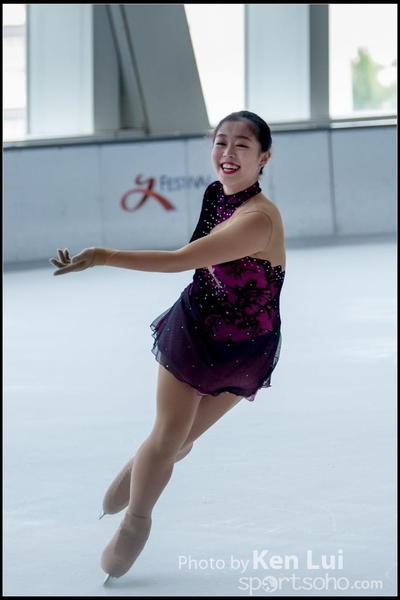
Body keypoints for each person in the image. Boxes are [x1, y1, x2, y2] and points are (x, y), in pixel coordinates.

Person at [49, 110, 286, 584]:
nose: (228, 153)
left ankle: (144, 463)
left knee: (182, 442)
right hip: (196, 330)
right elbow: (202, 269)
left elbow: (182, 260)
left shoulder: (258, 219)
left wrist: (103, 256)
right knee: (168, 435)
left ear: (264, 158)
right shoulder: (216, 194)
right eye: (221, 142)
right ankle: (137, 520)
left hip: (246, 347)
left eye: (242, 145)